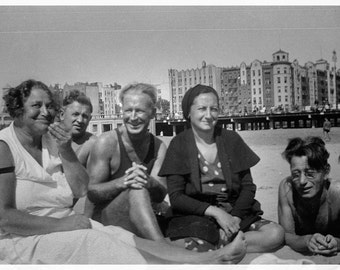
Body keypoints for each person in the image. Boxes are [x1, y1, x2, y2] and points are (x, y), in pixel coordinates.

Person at [0, 79, 247, 264]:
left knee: (125, 238)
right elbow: (5, 218)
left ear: (152, 114)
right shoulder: (4, 146)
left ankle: (214, 257)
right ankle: (193, 262)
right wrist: (64, 223)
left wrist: (65, 150)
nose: (46, 111)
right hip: (23, 238)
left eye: (48, 105)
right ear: (17, 109)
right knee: (101, 241)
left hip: (69, 224)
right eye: (36, 105)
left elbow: (80, 189)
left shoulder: (51, 143)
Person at [159, 84, 284, 252]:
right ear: (189, 112)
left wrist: (235, 218)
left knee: (275, 234)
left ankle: (220, 246)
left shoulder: (231, 139)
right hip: (196, 215)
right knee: (196, 242)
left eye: (214, 109)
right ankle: (226, 245)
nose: (209, 115)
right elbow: (176, 197)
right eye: (202, 108)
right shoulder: (178, 144)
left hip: (233, 212)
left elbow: (248, 187)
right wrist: (217, 214)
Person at [85, 83, 169, 241]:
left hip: (138, 217)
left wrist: (148, 181)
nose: (133, 117)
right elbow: (92, 192)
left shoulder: (158, 147)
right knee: (136, 188)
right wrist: (123, 182)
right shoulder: (107, 143)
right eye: (128, 110)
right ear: (121, 111)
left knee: (139, 187)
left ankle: (160, 248)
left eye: (140, 111)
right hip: (105, 220)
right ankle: (163, 247)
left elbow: (161, 194)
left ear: (153, 113)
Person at [278, 136, 340, 256]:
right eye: (295, 174)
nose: (302, 181)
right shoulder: (287, 188)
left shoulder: (336, 193)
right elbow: (285, 235)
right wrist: (306, 241)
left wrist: (337, 243)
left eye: (310, 174)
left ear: (326, 171)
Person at [59, 89, 96, 167]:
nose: (80, 120)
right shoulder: (47, 141)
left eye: (85, 116)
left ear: (90, 119)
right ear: (62, 115)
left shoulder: (95, 145)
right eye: (75, 114)